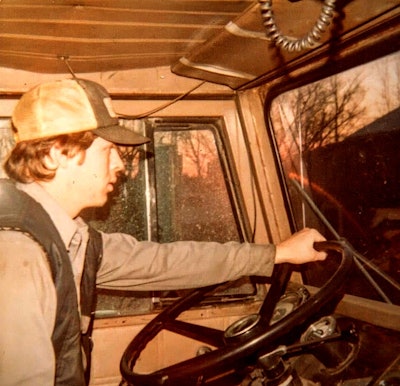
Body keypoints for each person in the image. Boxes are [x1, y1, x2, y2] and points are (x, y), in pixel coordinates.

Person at [0, 78, 327, 386]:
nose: (120, 165)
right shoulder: (18, 253)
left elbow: (162, 262)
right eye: (107, 150)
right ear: (57, 153)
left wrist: (277, 254)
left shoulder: (64, 236)